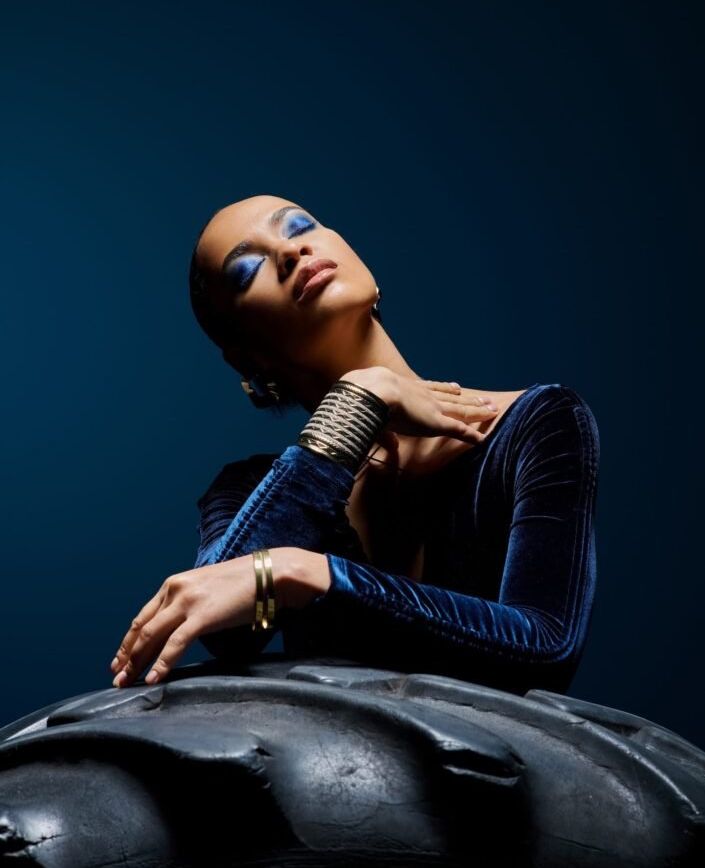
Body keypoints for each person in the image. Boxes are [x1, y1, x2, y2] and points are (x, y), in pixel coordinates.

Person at [110, 194, 600, 696]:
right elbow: (228, 630)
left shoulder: (538, 421)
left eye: (299, 227)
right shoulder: (244, 490)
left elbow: (546, 651)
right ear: (247, 358)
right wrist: (357, 404)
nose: (291, 251)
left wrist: (307, 573)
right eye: (248, 270)